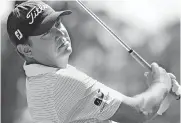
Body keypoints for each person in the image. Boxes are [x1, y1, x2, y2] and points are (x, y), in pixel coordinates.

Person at [6, 1, 178, 123]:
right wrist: (161, 84)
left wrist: (160, 97)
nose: (60, 34)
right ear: (26, 49)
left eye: (57, 24)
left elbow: (129, 114)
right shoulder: (60, 82)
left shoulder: (41, 79)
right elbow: (140, 111)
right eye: (46, 33)